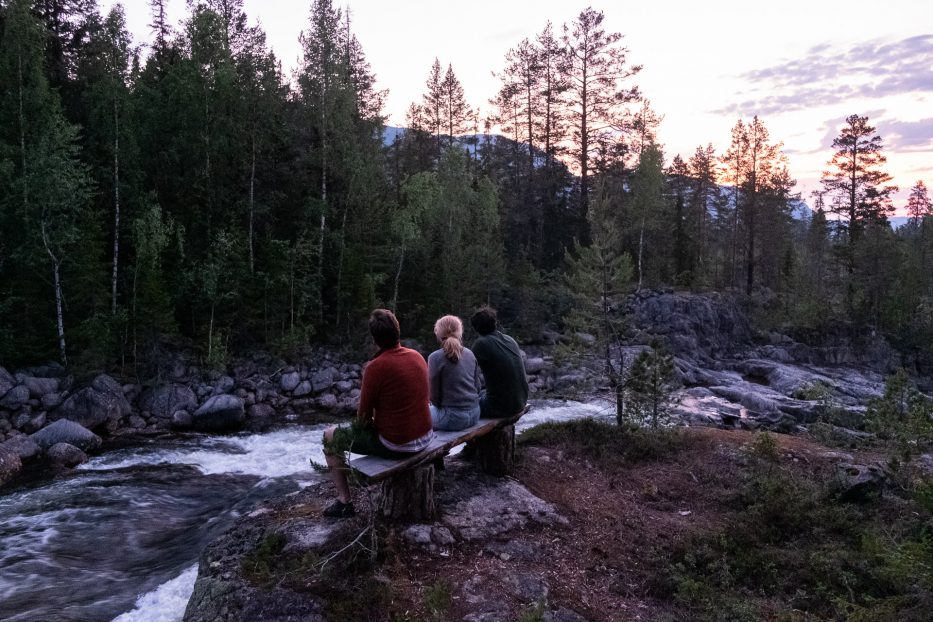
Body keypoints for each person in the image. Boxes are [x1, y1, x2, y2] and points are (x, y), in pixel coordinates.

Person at [320, 309, 434, 518]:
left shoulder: (376, 367)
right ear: (398, 331)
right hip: (425, 437)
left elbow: (362, 419)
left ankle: (344, 501)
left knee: (329, 434)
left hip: (399, 444)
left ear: (374, 339)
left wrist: (371, 423)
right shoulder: (417, 356)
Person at [470, 306, 529, 418]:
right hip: (521, 400)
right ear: (495, 323)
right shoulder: (509, 339)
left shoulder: (481, 344)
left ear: (476, 328)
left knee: (466, 406)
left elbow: (466, 372)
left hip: (501, 407)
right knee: (482, 394)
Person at [428, 315, 482, 431]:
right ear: (460, 332)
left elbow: (434, 396)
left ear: (438, 333)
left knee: (418, 413)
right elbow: (478, 387)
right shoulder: (470, 354)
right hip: (475, 414)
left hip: (453, 418)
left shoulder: (435, 357)